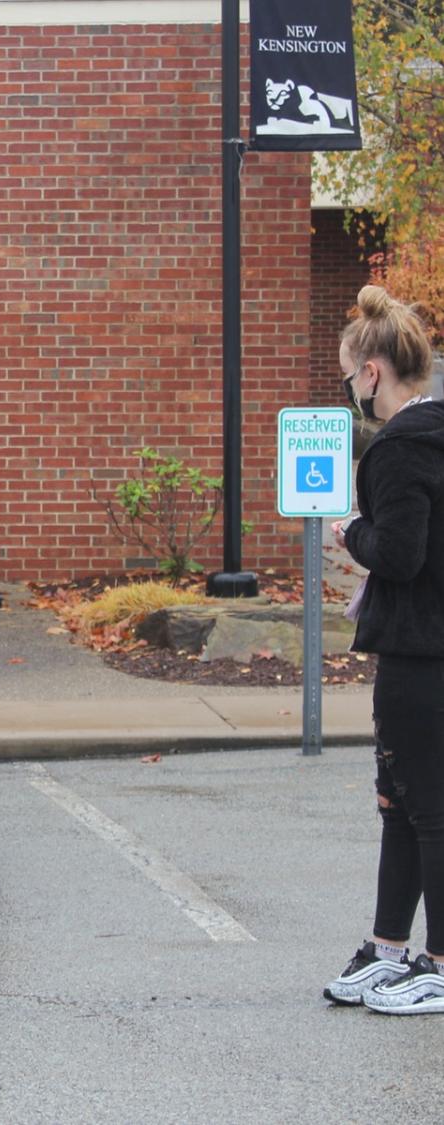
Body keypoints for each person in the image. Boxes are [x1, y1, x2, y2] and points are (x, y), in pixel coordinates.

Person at [323, 285, 444, 1013]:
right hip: (430, 647)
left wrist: (349, 533)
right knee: (402, 802)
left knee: (425, 807)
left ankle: (433, 961)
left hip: (417, 650)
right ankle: (390, 947)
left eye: (349, 376)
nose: (351, 392)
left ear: (372, 372)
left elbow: (399, 553)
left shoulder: (399, 449)